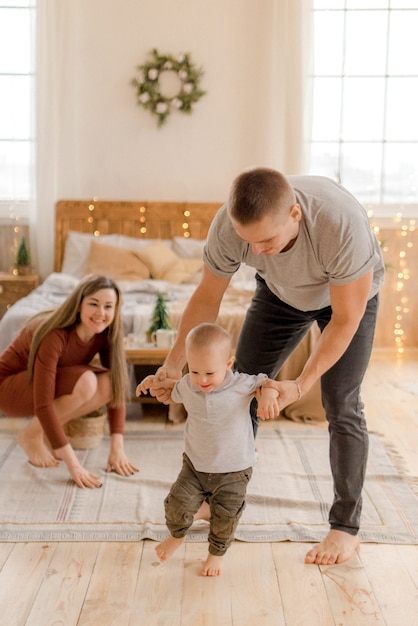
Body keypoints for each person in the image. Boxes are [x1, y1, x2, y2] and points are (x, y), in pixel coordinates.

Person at [140, 167, 385, 566]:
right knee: (236, 391)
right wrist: (171, 366)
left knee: (341, 402)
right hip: (280, 295)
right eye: (247, 242)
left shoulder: (338, 224)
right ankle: (217, 495)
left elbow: (343, 320)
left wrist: (300, 385)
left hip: (347, 300)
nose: (257, 251)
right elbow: (207, 297)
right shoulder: (229, 226)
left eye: (267, 241)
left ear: (295, 216)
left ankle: (345, 527)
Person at [136, 322, 280, 577]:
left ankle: (216, 554)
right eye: (194, 371)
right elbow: (171, 388)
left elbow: (266, 383)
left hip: (234, 470)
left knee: (225, 517)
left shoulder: (242, 384)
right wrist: (152, 381)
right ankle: (178, 536)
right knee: (176, 504)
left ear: (228, 364)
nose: (201, 380)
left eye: (210, 374)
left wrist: (267, 395)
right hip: (195, 466)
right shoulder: (188, 385)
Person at [0, 274, 138, 488]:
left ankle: (48, 434)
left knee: (110, 382)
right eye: (93, 304)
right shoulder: (54, 334)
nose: (101, 313)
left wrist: (117, 449)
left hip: (37, 385)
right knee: (87, 382)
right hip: (8, 389)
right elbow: (43, 403)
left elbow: (117, 387)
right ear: (78, 305)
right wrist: (73, 465)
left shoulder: (105, 333)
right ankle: (32, 435)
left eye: (108, 306)